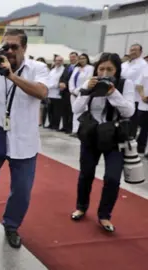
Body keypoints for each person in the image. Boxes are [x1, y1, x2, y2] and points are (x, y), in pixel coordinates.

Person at [0, 29, 49, 248]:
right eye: (6, 47)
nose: (10, 51)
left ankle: (11, 226)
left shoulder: (38, 68)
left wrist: (11, 76)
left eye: (15, 47)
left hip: (25, 141)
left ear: (24, 48)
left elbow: (42, 92)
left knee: (22, 190)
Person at [70, 53, 135, 232]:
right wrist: (85, 91)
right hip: (91, 134)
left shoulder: (124, 84)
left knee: (113, 178)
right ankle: (81, 207)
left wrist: (113, 93)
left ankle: (105, 215)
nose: (105, 73)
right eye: (101, 68)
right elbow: (76, 109)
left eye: (110, 69)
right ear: (96, 68)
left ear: (117, 70)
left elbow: (129, 111)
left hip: (114, 136)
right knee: (86, 174)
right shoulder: (89, 82)